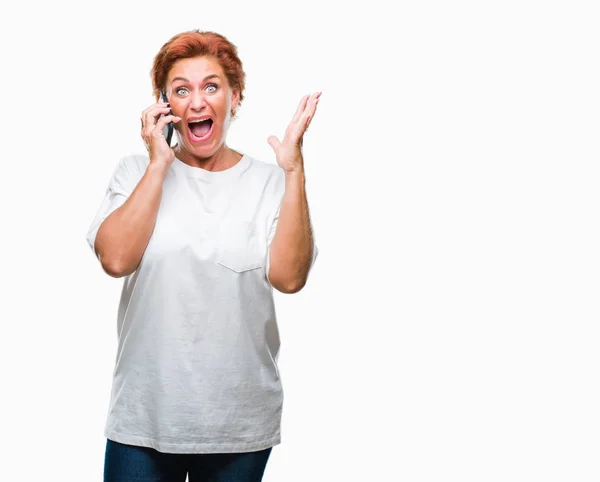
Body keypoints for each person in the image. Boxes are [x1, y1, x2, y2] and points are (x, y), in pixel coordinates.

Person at [85, 29, 320, 482]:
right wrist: (158, 164)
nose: (196, 102)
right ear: (164, 105)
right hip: (144, 418)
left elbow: (290, 279)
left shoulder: (271, 183)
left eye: (211, 86)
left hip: (239, 424)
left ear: (235, 99)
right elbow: (115, 260)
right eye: (181, 89)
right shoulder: (135, 171)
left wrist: (294, 172)